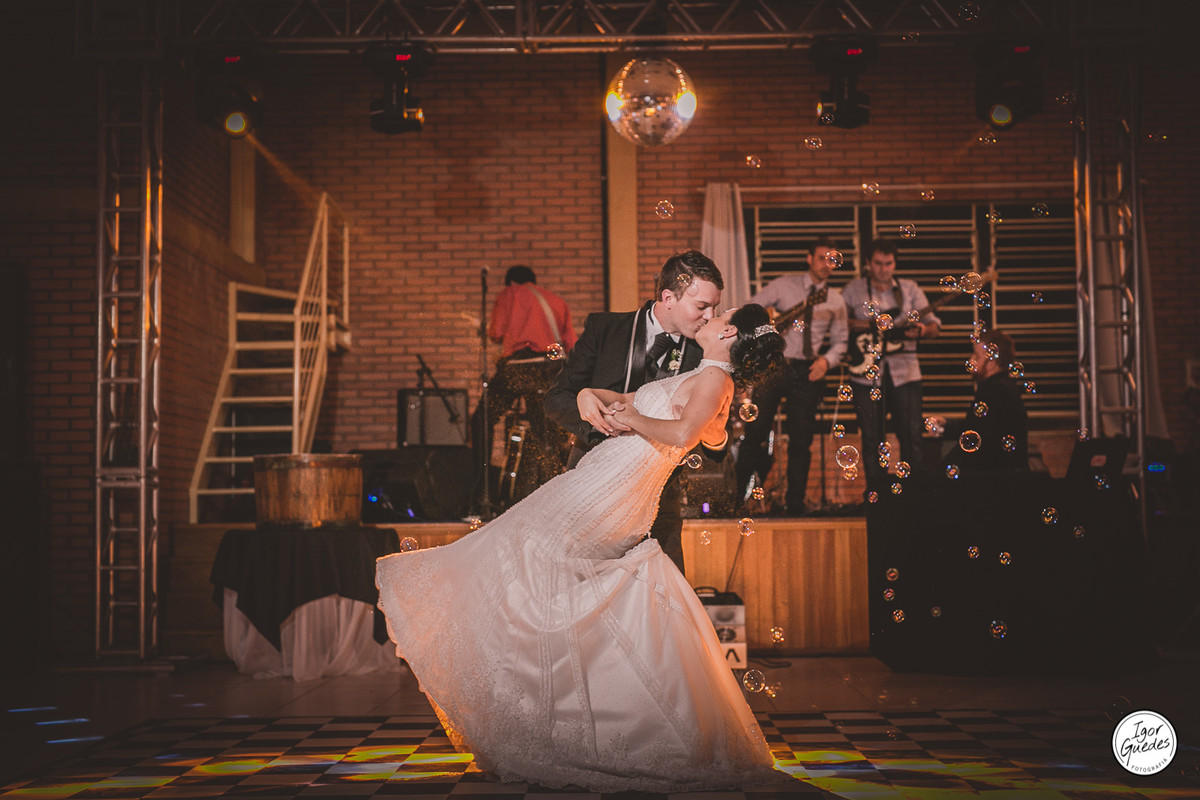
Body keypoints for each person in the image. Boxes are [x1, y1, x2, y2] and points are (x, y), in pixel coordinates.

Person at [376, 305, 789, 793]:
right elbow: (639, 403)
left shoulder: (716, 380)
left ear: (730, 333)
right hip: (601, 478)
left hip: (615, 491)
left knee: (522, 551)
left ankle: (535, 710)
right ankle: (558, 717)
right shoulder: (704, 374)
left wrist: (634, 416)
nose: (711, 316)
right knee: (527, 559)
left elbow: (681, 433)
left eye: (720, 314)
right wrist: (595, 395)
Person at [544, 249, 724, 575]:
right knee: (583, 587)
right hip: (593, 485)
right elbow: (556, 398)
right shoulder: (606, 328)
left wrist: (716, 438)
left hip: (660, 493)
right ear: (669, 297)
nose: (710, 317)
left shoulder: (707, 354)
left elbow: (716, 438)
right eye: (702, 306)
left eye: (715, 307)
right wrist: (596, 424)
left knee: (660, 601)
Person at [735, 238, 848, 515]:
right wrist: (770, 321)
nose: (826, 265)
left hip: (808, 370)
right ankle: (735, 499)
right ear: (809, 258)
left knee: (802, 441)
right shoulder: (783, 285)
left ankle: (795, 504)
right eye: (822, 258)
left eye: (832, 259)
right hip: (775, 366)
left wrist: (826, 360)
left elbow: (842, 341)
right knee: (755, 433)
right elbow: (749, 311)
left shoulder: (835, 299)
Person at [471, 266, 577, 508]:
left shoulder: (510, 294)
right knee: (546, 434)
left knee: (482, 421)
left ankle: (482, 492)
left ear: (510, 282)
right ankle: (551, 496)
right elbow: (571, 344)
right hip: (550, 370)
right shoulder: (556, 301)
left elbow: (496, 333)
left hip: (519, 368)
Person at [841, 238, 941, 493]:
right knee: (872, 438)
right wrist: (874, 326)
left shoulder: (909, 289)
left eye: (889, 263)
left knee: (911, 435)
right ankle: (877, 495)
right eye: (878, 263)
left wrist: (919, 331)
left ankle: (914, 494)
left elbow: (934, 326)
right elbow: (840, 322)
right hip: (865, 374)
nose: (884, 269)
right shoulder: (853, 290)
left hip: (905, 372)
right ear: (867, 264)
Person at [937, 329, 1029, 471]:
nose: (970, 360)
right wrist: (947, 425)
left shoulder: (997, 392)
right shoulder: (999, 387)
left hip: (997, 478)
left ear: (992, 364)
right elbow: (976, 427)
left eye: (977, 356)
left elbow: (981, 441)